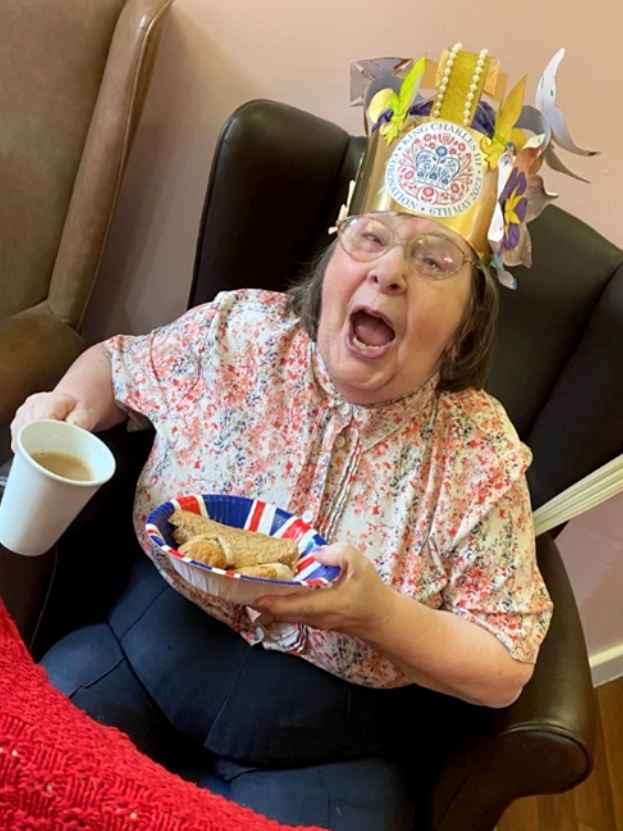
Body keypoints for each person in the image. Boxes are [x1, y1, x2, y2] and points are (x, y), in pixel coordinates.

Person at [10, 43, 590, 831]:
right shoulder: (240, 332)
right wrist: (63, 406)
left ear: (464, 324)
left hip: (323, 748)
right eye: (370, 238)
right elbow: (114, 369)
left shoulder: (478, 453)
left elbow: (503, 667)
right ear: (332, 263)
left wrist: (374, 613)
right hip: (138, 655)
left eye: (433, 260)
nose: (389, 272)